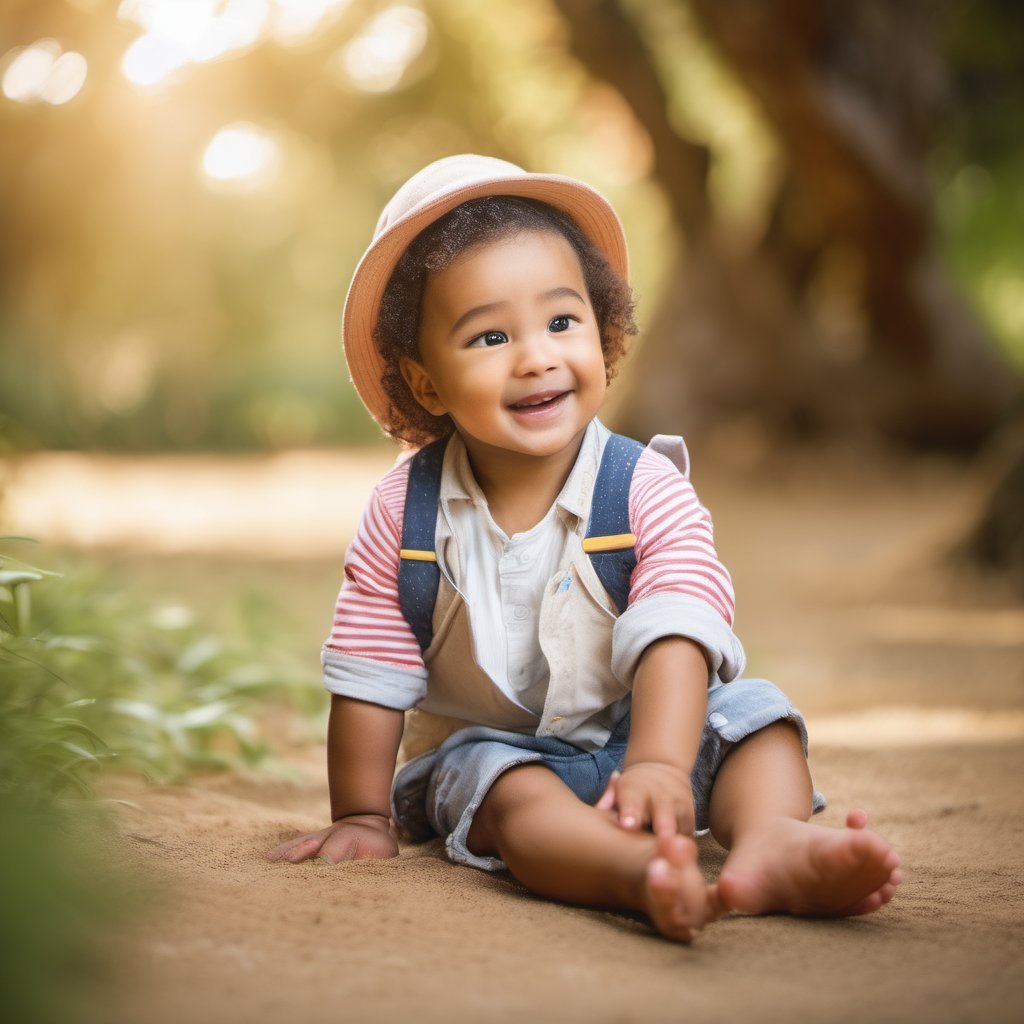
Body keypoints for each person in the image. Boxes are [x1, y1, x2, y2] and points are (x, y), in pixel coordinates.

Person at [267, 154, 902, 940]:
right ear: (425, 383)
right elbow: (370, 668)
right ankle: (632, 873)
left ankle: (770, 839)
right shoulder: (405, 513)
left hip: (650, 727)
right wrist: (362, 812)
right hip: (498, 752)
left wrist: (664, 764)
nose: (536, 356)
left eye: (562, 322)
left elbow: (678, 621)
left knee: (755, 719)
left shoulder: (645, 485)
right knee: (512, 798)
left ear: (605, 336)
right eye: (490, 335)